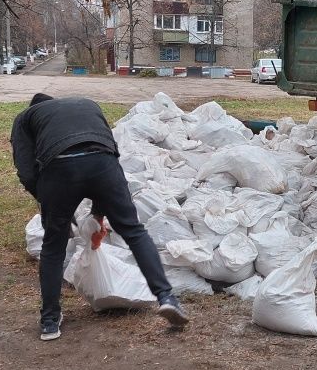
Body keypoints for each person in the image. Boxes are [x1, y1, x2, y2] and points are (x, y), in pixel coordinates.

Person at [11, 93, 188, 341]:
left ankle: (50, 320)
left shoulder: (25, 118)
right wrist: (97, 212)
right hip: (103, 163)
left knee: (53, 246)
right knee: (134, 232)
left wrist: (48, 202)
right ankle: (167, 297)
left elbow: (27, 170)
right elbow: (108, 149)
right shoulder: (87, 104)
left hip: (59, 167)